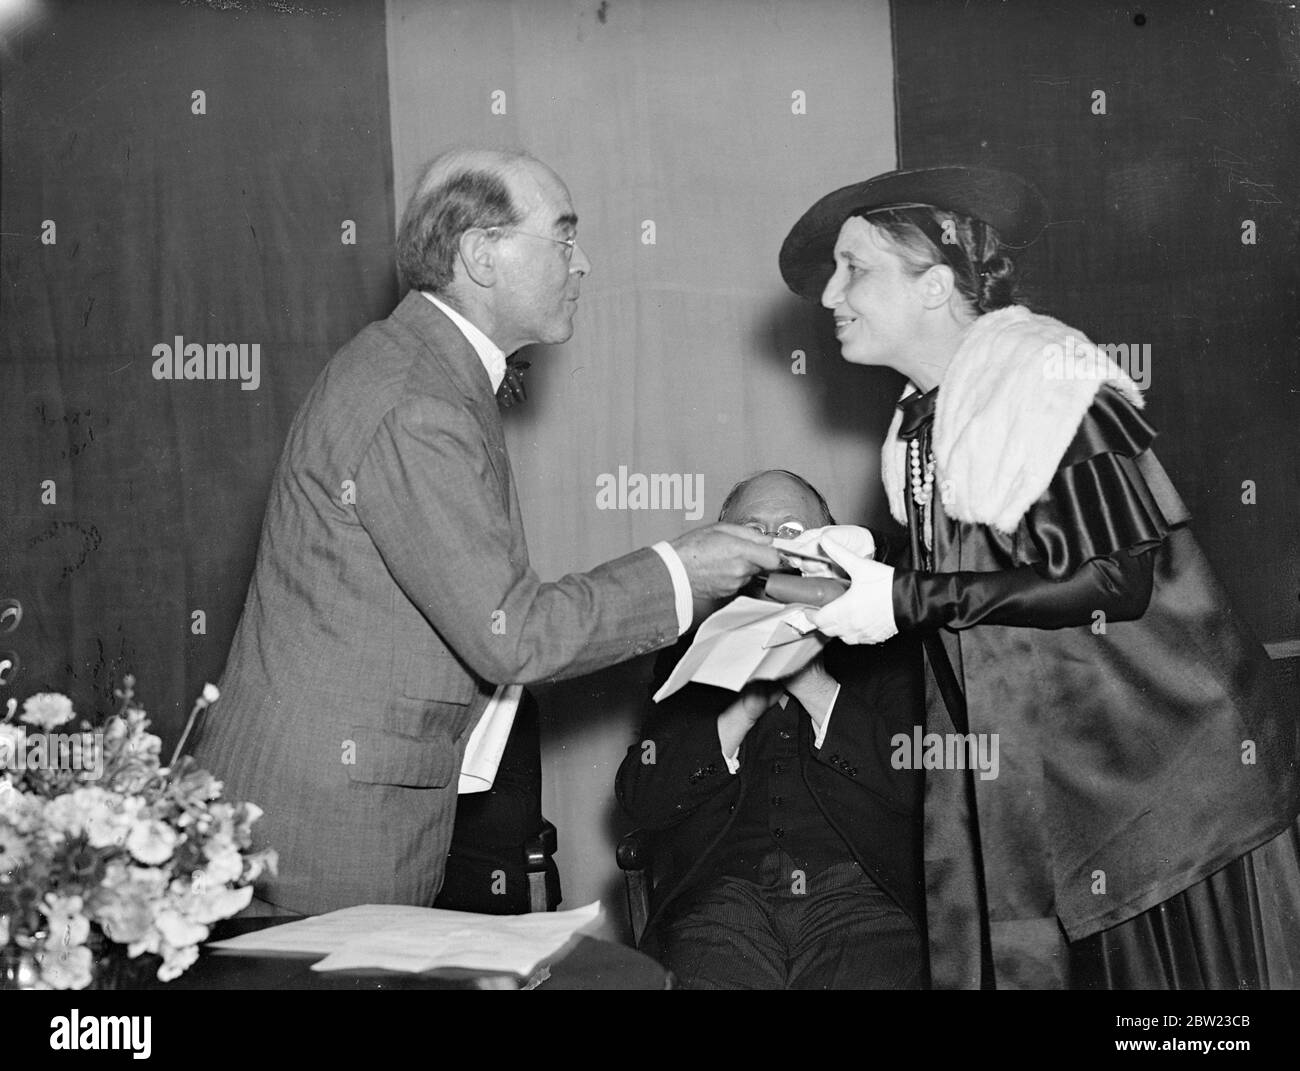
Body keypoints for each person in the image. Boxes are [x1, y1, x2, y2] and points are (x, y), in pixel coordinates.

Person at [191, 148, 782, 915]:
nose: (585, 263)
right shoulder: (417, 399)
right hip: (322, 830)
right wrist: (684, 571)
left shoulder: (422, 369)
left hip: (332, 808)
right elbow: (512, 632)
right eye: (564, 240)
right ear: (480, 254)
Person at [776, 165, 1300, 989]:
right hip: (1058, 791)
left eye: (856, 269)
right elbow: (992, 591)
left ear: (937, 285)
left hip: (1161, 793)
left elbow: (1115, 580)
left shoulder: (1049, 382)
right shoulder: (930, 414)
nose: (830, 294)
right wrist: (872, 573)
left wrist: (906, 596)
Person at [617, 469, 925, 989]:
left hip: (861, 900)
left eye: (790, 531)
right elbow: (643, 797)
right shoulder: (686, 651)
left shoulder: (887, 643)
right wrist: (747, 700)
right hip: (720, 902)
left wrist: (812, 681)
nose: (774, 547)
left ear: (830, 544)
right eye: (754, 531)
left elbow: (919, 787)